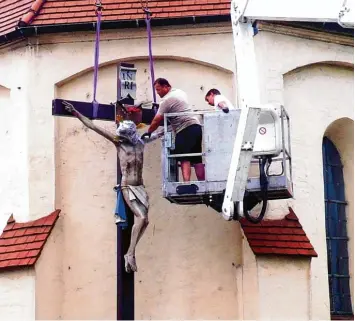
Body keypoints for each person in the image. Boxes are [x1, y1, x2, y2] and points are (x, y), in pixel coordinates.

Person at [63, 100, 160, 273]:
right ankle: (129, 254)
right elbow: (93, 127)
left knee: (145, 221)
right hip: (128, 186)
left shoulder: (140, 143)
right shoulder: (119, 142)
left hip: (140, 186)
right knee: (142, 218)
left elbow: (159, 134)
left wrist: (174, 124)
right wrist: (76, 113)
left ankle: (131, 253)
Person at [141, 78, 205, 182]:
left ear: (166, 86)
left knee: (184, 158)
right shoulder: (180, 93)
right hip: (196, 126)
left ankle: (186, 185)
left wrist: (149, 132)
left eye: (159, 89)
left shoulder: (167, 100)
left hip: (185, 128)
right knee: (197, 159)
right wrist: (156, 134)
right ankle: (203, 183)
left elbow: (157, 120)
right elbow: (169, 126)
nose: (158, 93)